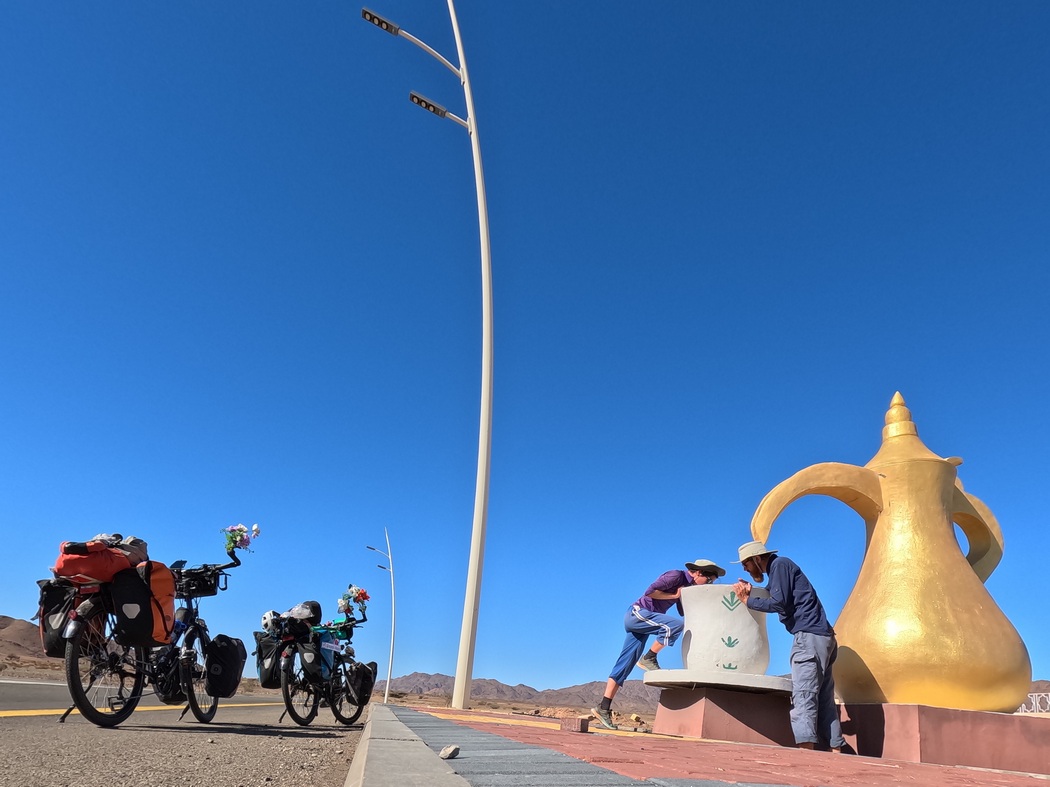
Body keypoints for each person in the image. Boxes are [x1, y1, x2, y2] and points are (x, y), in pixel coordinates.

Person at [732, 540, 845, 752]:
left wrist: (748, 601)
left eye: (745, 564)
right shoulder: (780, 569)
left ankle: (806, 754)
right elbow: (777, 594)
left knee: (804, 694)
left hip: (809, 639)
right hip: (823, 637)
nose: (744, 569)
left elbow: (778, 602)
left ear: (757, 559)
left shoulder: (780, 565)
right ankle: (835, 752)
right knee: (823, 699)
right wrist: (753, 590)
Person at [591, 558, 726, 730]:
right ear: (699, 572)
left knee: (624, 665)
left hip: (645, 622)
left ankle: (603, 707)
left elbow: (682, 610)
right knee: (675, 626)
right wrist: (675, 595)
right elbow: (650, 592)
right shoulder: (676, 576)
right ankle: (650, 657)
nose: (708, 583)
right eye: (709, 580)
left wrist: (692, 598)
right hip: (638, 614)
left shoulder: (687, 586)